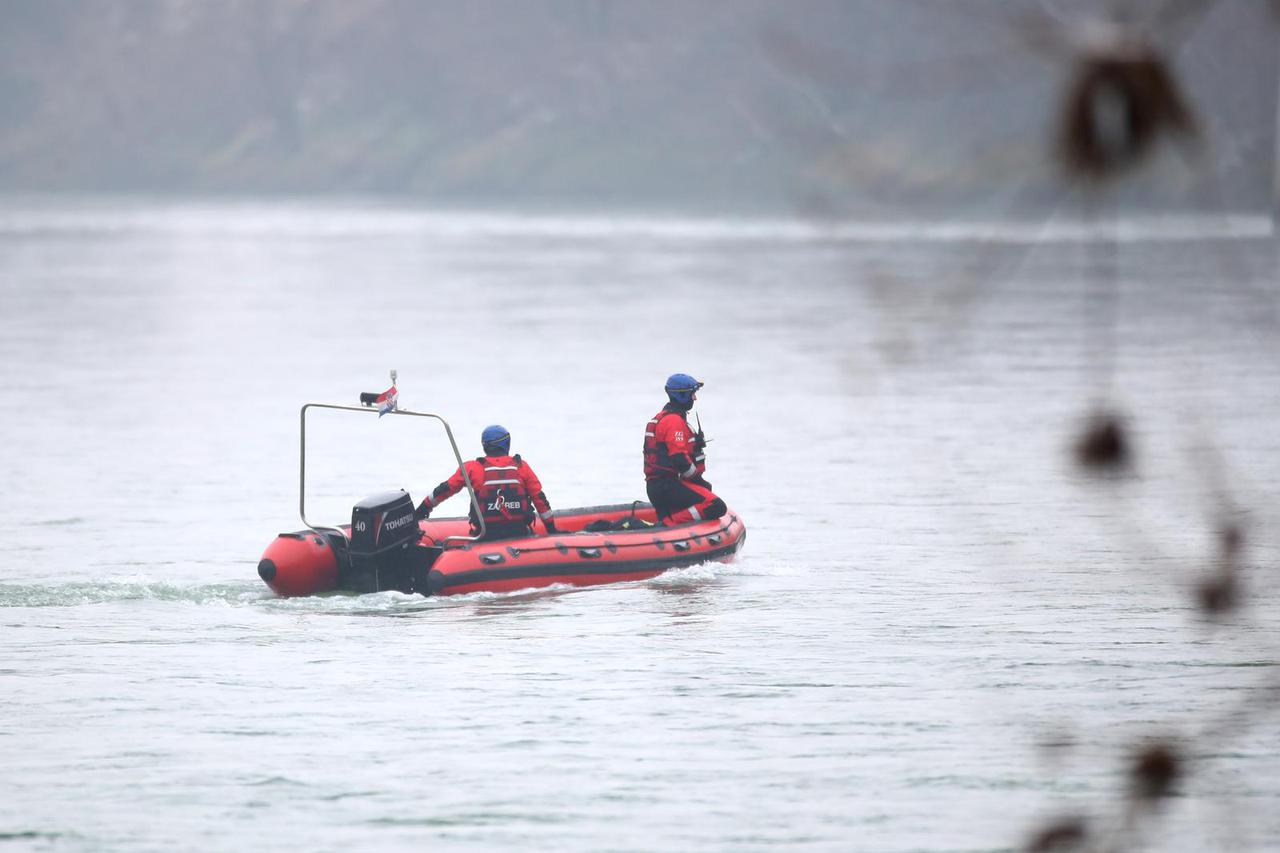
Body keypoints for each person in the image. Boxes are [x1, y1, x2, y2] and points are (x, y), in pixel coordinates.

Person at [415, 424, 557, 540]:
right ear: (506, 443)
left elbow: (444, 490)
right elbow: (540, 499)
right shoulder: (521, 466)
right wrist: (551, 530)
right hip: (519, 534)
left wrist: (423, 509)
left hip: (485, 536)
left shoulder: (471, 468)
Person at [643, 373, 727, 524]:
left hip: (658, 486)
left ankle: (668, 523)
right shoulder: (673, 421)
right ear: (682, 395)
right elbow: (680, 459)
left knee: (703, 493)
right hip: (667, 487)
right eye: (693, 394)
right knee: (717, 506)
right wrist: (698, 480)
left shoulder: (663, 417)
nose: (695, 398)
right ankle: (667, 523)